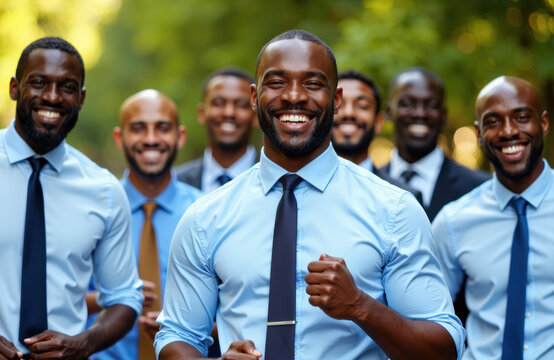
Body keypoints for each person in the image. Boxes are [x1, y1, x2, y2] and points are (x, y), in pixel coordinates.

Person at [155, 29, 464, 359]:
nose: (293, 96)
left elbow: (443, 349)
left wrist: (362, 307)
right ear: (254, 96)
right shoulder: (205, 218)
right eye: (276, 82)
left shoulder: (394, 210)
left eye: (313, 84)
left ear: (337, 100)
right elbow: (177, 335)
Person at [0, 37, 143, 359]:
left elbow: (124, 297)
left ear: (80, 98)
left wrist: (85, 343)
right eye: (38, 83)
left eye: (66, 87)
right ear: (14, 88)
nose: (52, 97)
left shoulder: (104, 190)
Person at [432, 76, 553, 359]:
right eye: (493, 121)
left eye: (522, 117)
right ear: (478, 133)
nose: (509, 131)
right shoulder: (453, 221)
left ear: (544, 123)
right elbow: (429, 317)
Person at [86, 90, 203, 360]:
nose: (151, 139)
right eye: (139, 129)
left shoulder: (206, 212)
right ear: (119, 137)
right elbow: (61, 295)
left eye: (162, 128)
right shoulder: (93, 208)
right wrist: (120, 297)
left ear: (180, 136)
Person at [381, 67, 489, 221]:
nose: (420, 113)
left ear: (444, 115)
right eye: (407, 104)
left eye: (431, 105)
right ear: (389, 112)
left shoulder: (480, 189)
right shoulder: (366, 185)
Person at [331, 69, 423, 203]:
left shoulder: (404, 199)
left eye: (362, 106)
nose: (349, 113)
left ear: (379, 122)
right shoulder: (295, 189)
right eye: (338, 104)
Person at [174, 68, 258, 192]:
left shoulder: (278, 182)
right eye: (218, 103)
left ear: (256, 116)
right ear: (201, 113)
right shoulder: (175, 183)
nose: (229, 113)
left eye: (241, 105)